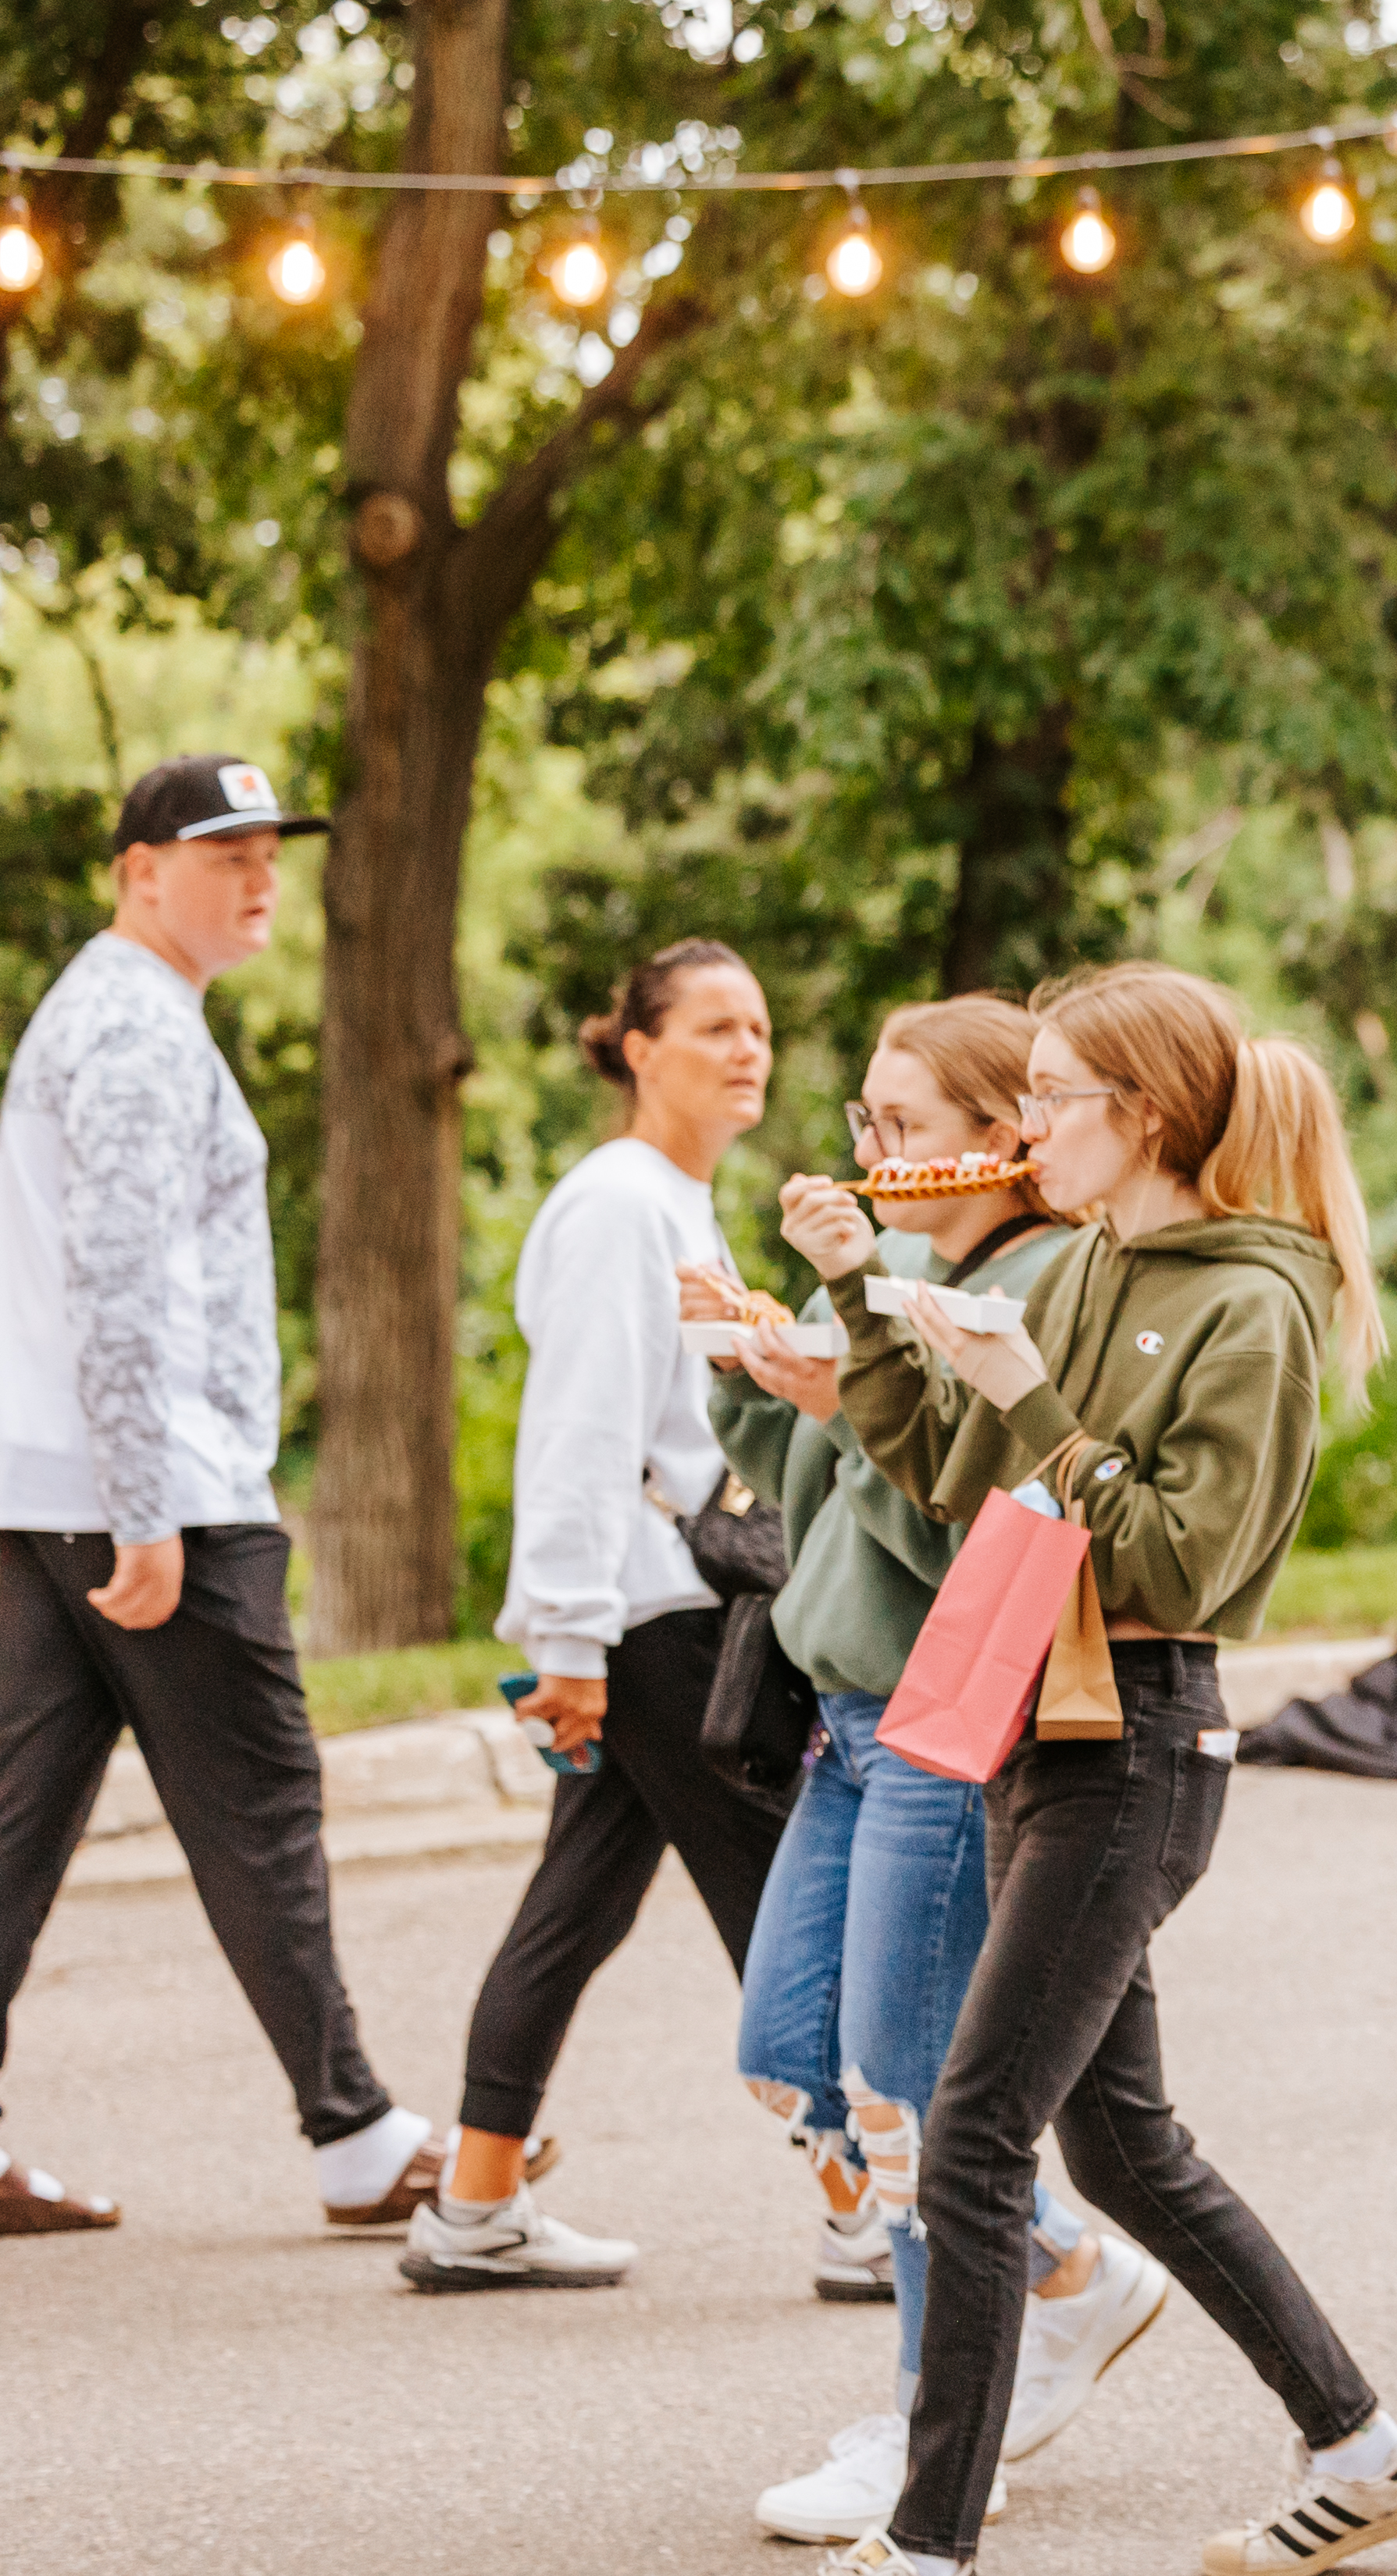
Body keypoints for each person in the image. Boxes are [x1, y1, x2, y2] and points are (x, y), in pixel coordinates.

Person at [792, 962, 1397, 2576]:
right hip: (1029, 1727)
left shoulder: (1256, 1303)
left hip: (1137, 1743)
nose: (1029, 1127)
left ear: (1142, 1116)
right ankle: (1369, 2449)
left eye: (1057, 1098)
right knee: (1123, 2146)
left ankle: (929, 2540)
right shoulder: (1086, 1264)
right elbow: (951, 1472)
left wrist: (1037, 1405)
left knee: (975, 2134)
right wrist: (874, 1306)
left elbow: (1177, 1562)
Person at [713, 995, 1170, 2543]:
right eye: (867, 1124)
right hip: (841, 1715)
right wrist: (752, 1373)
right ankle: (1067, 2264)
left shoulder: (1029, 1285)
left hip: (940, 1717)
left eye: (905, 1127)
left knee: (903, 2094)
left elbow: (966, 1535)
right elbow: (802, 1504)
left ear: (998, 1137)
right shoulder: (911, 1271)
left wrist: (866, 1388)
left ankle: (925, 2422)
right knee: (785, 2047)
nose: (873, 1151)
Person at [0, 756, 455, 2239]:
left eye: (271, 853)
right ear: (141, 868)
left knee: (15, 1826)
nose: (259, 878)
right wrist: (149, 1504)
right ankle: (356, 2137)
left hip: (45, 1489)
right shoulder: (133, 1028)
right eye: (222, 853)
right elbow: (117, 1279)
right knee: (262, 1808)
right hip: (154, 1494)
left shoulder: (108, 1007)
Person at [405, 939, 804, 2290]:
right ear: (636, 1047)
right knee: (780, 1896)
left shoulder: (677, 1201)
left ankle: (473, 2201)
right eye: (711, 1026)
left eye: (758, 1027)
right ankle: (874, 2190)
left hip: (662, 1603)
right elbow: (578, 1434)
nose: (746, 1049)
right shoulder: (619, 1206)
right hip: (652, 1614)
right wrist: (566, 1645)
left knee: (576, 1902)